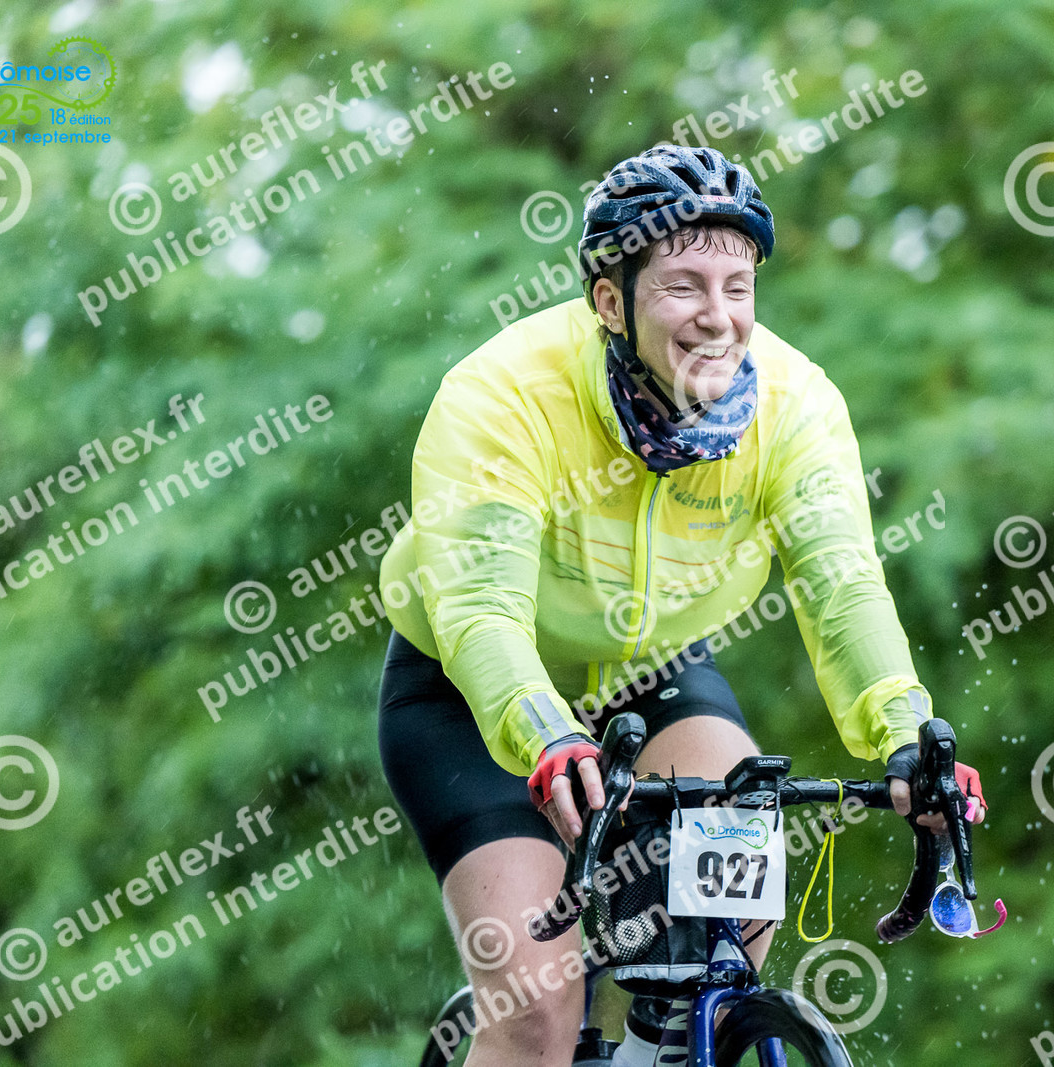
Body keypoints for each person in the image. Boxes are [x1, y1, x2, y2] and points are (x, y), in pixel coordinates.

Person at [377, 145, 986, 1067]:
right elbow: (480, 610)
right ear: (610, 300)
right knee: (538, 1004)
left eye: (738, 287)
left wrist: (906, 733)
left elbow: (843, 584)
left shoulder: (796, 406)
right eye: (684, 285)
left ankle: (659, 1048)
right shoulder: (504, 393)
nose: (718, 315)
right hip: (471, 693)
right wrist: (546, 736)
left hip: (652, 675)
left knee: (726, 935)